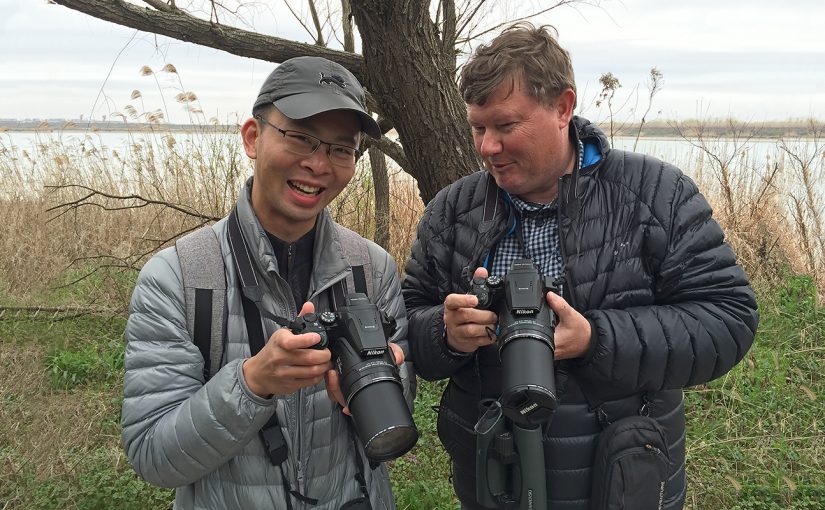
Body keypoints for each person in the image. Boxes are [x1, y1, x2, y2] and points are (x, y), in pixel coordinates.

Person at [402, 23, 758, 510]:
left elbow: (729, 318)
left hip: (620, 477)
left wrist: (596, 339)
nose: (486, 146)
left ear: (563, 107)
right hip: (492, 475)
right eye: (478, 127)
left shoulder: (656, 196)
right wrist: (446, 334)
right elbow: (408, 321)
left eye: (506, 126)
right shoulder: (453, 210)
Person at [121, 56, 410, 510]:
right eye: (300, 137)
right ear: (252, 138)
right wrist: (253, 383)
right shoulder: (179, 277)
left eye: (340, 149)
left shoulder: (370, 270)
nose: (318, 164)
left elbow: (399, 404)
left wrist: (369, 388)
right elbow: (154, 456)